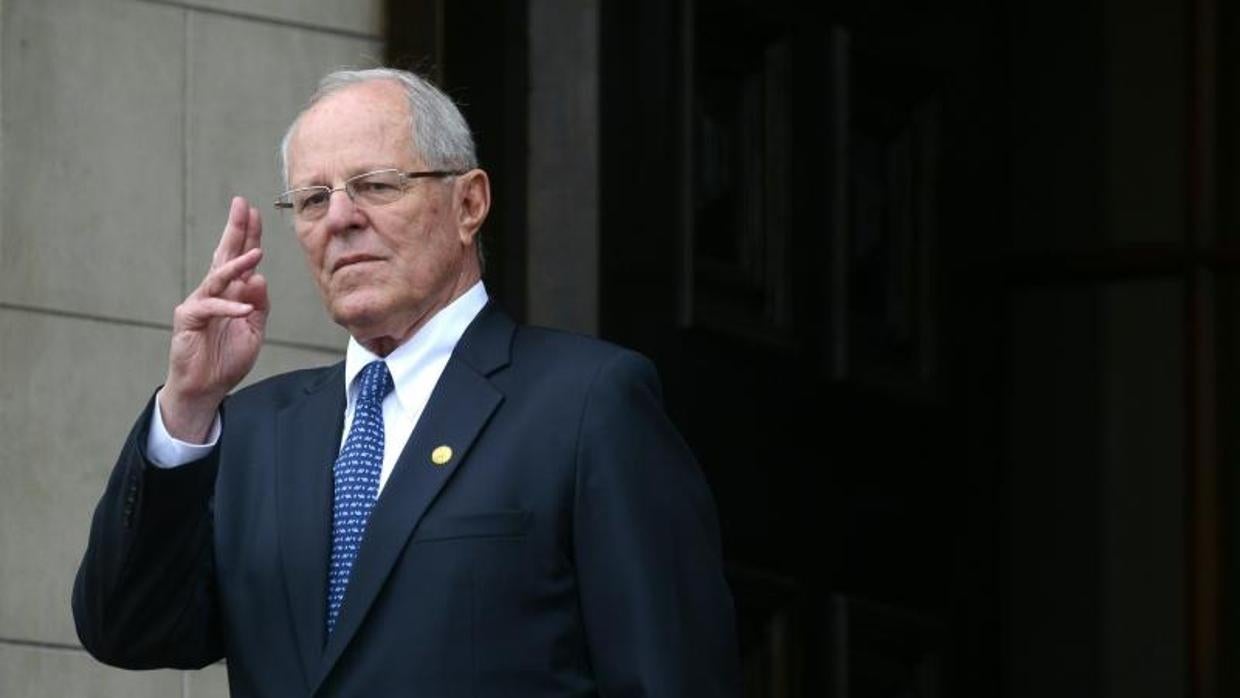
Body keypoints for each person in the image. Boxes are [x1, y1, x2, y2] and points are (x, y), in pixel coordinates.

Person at [72, 67, 740, 696]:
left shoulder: (588, 404)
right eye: (312, 199)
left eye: (378, 184)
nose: (340, 218)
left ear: (469, 203)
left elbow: (668, 676)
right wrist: (187, 409)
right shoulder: (253, 430)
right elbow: (127, 628)